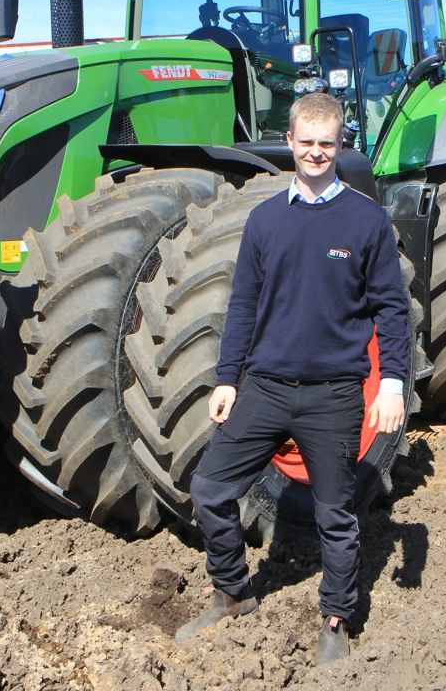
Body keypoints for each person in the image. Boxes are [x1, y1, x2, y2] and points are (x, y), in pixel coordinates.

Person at [176, 93, 411, 666]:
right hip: (265, 387)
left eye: (327, 143)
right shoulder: (265, 220)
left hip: (333, 396)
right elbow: (243, 306)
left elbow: (392, 310)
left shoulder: (366, 219)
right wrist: (227, 378)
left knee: (336, 513)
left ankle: (335, 619)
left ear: (340, 144)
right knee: (209, 489)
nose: (315, 152)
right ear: (290, 142)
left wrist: (394, 383)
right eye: (306, 142)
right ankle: (231, 592)